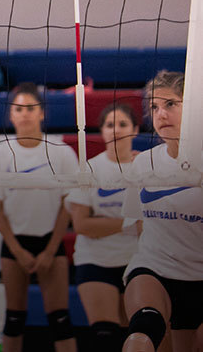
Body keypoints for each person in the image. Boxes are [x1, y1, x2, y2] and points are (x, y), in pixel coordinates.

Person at [0, 83, 78, 352]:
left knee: (60, 319)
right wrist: (17, 251)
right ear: (11, 115)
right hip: (15, 245)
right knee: (14, 319)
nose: (24, 114)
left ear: (41, 114)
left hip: (51, 242)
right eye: (18, 109)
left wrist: (49, 251)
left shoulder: (60, 152)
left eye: (30, 108)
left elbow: (66, 205)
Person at [122, 71, 203, 352]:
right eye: (154, 107)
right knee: (143, 334)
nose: (160, 114)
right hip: (157, 270)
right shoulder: (143, 164)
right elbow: (140, 226)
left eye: (170, 104)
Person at [65, 103, 140, 352]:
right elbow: (83, 224)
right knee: (106, 338)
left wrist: (105, 224)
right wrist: (130, 223)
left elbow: (151, 225)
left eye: (122, 124)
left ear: (136, 130)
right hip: (95, 261)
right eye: (110, 125)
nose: (116, 130)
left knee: (138, 336)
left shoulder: (147, 168)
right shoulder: (90, 169)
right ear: (102, 131)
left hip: (138, 263)